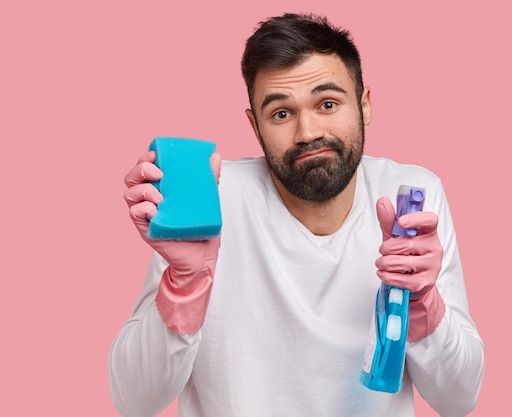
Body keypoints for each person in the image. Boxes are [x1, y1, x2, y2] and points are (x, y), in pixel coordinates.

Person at [109, 12, 484, 417]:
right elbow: (133, 401)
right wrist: (184, 287)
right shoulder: (213, 201)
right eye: (281, 113)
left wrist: (423, 305)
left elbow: (459, 400)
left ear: (365, 105)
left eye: (327, 103)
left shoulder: (412, 196)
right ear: (255, 126)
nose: (307, 132)